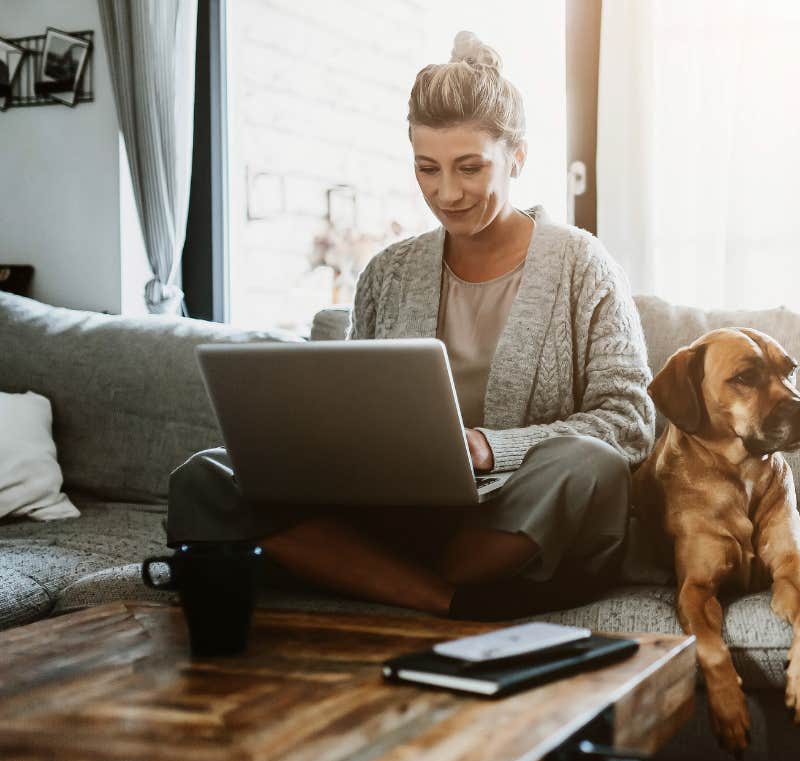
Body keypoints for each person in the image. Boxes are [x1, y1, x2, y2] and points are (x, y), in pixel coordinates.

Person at [164, 31, 656, 619]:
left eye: (469, 168)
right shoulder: (388, 272)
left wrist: (487, 449)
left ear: (517, 157)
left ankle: (360, 571)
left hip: (516, 516)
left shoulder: (582, 264)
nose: (446, 193)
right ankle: (447, 601)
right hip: (399, 511)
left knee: (587, 464)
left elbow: (628, 422)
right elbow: (352, 406)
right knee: (203, 477)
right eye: (427, 168)